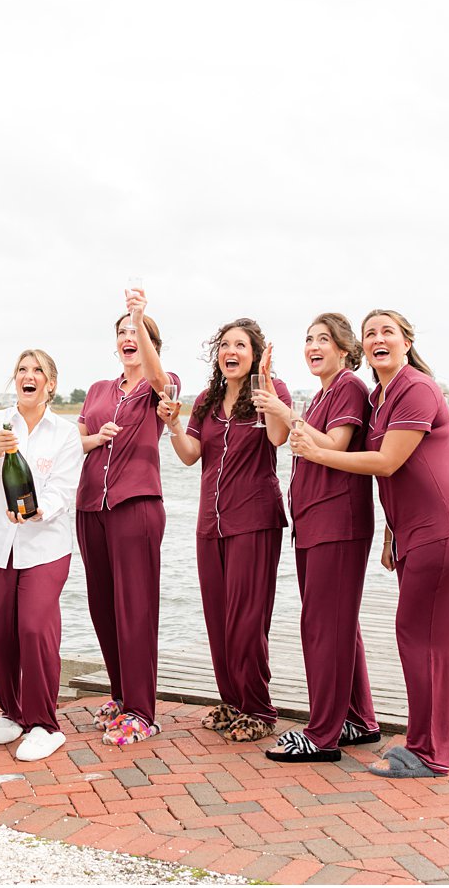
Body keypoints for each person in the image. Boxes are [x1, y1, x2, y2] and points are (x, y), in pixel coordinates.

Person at [291, 310, 449, 778]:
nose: (379, 339)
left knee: (419, 638)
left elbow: (389, 462)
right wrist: (390, 532)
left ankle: (425, 752)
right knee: (434, 641)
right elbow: (401, 480)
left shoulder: (416, 387)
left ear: (406, 341)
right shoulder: (379, 396)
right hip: (416, 532)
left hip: (446, 529)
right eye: (370, 333)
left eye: (388, 332)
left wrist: (318, 453)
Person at [260, 315, 380, 764]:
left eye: (323, 339)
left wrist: (287, 413)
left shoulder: (348, 387)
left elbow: (334, 443)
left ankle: (323, 733)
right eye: (308, 339)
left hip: (338, 522)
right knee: (339, 624)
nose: (313, 346)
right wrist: (272, 393)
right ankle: (358, 720)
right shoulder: (324, 392)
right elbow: (296, 436)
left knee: (323, 627)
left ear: (345, 349)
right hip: (314, 522)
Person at [162, 318, 289, 744]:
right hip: (209, 524)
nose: (230, 351)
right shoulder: (205, 400)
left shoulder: (272, 393)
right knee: (218, 618)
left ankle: (259, 708)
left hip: (254, 520)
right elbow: (189, 455)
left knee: (246, 619)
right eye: (224, 345)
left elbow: (278, 437)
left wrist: (266, 385)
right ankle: (233, 701)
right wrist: (174, 425)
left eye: (241, 345)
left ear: (254, 354)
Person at [0, 349, 84, 762]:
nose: (27, 376)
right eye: (21, 370)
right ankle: (11, 711)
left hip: (45, 544)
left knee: (33, 627)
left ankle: (45, 724)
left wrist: (35, 511)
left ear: (50, 383)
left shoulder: (65, 434)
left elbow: (63, 491)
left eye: (37, 371)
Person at [77, 287, 177, 746]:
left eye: (135, 331)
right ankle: (120, 696)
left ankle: (142, 710)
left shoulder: (161, 382)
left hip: (135, 506)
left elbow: (161, 385)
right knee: (103, 606)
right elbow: (74, 442)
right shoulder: (97, 390)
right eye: (121, 332)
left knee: (135, 609)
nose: (127, 336)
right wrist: (95, 437)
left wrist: (140, 314)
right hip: (90, 506)